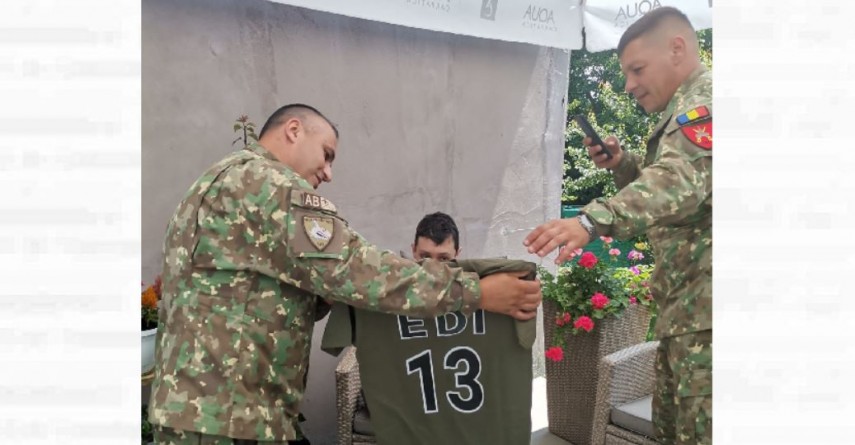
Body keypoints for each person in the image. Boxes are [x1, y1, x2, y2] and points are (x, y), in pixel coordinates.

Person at [147, 104, 542, 444]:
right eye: (327, 153)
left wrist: (323, 296)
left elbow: (247, 288)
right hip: (233, 416)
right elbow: (362, 270)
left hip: (190, 408)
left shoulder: (211, 182)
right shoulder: (274, 185)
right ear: (294, 130)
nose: (328, 172)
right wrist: (477, 292)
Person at [523, 7, 711, 445]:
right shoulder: (683, 112)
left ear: (678, 49)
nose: (628, 85)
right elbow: (684, 200)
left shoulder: (705, 106)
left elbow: (677, 182)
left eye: (637, 69)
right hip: (687, 319)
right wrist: (623, 164)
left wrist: (592, 219)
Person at [321, 212, 536, 445]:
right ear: (413, 250)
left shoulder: (496, 292)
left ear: (458, 254)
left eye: (444, 259)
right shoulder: (384, 289)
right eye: (425, 256)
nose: (434, 268)